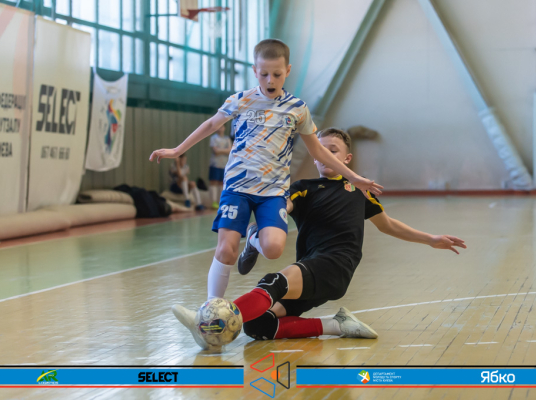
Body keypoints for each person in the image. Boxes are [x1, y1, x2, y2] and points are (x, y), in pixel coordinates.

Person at [172, 128, 466, 349]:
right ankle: (336, 325)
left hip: (335, 265)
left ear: (347, 159)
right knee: (259, 326)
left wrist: (430, 239)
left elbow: (388, 225)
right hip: (311, 270)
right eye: (321, 151)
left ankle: (208, 323)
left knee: (273, 282)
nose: (326, 155)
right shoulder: (304, 188)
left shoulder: (359, 190)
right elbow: (282, 208)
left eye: (333, 150)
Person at [150, 39, 383, 302]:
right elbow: (212, 124)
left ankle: (253, 239)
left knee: (273, 249)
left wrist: (354, 177)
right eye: (264, 74)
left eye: (277, 74)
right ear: (254, 70)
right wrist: (177, 150)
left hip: (272, 192)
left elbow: (318, 151)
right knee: (226, 250)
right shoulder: (241, 100)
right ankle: (212, 307)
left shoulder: (297, 109)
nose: (270, 80)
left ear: (288, 71)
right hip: (237, 188)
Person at [208, 124, 232, 209]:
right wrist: (225, 150)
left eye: (222, 126)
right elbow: (215, 151)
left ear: (224, 128)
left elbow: (230, 150)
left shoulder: (227, 139)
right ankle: (213, 202)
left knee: (222, 182)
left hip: (224, 164)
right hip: (215, 164)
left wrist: (220, 150)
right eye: (219, 126)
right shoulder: (213, 138)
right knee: (214, 182)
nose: (220, 128)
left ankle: (221, 201)